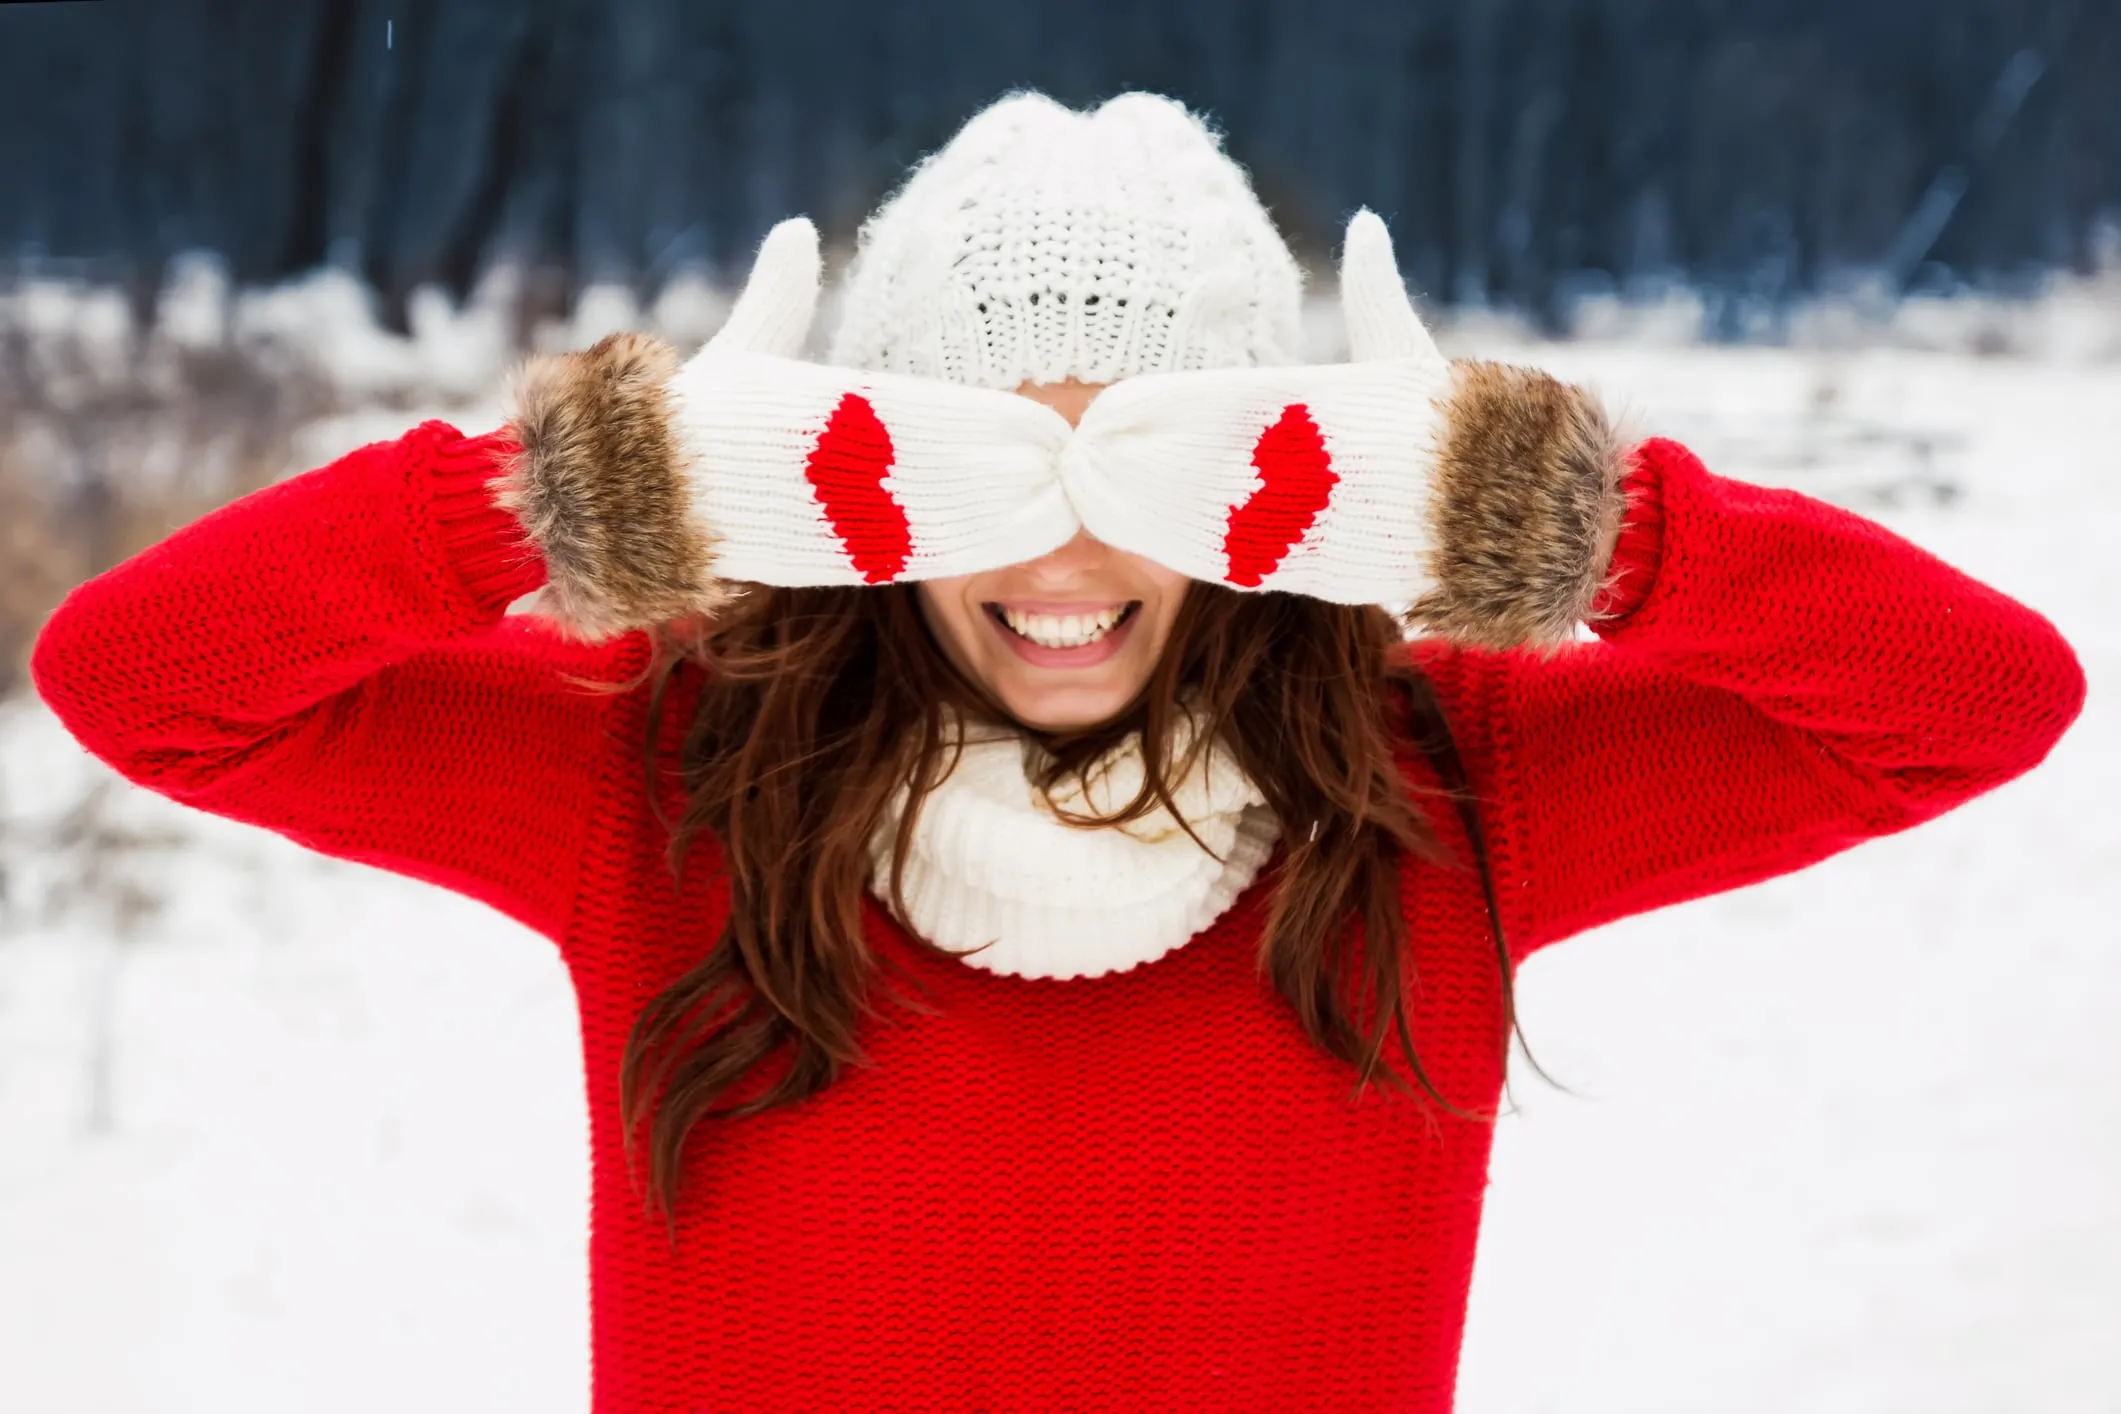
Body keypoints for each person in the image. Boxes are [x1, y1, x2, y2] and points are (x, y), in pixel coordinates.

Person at [29, 92, 2085, 1412]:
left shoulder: (1450, 791)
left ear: (1277, 468)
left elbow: (1974, 699)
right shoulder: (663, 777)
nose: (1065, 545)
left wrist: (1568, 525)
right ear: (856, 479)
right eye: (982, 452)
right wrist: (566, 490)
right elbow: (145, 677)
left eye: (1148, 460)